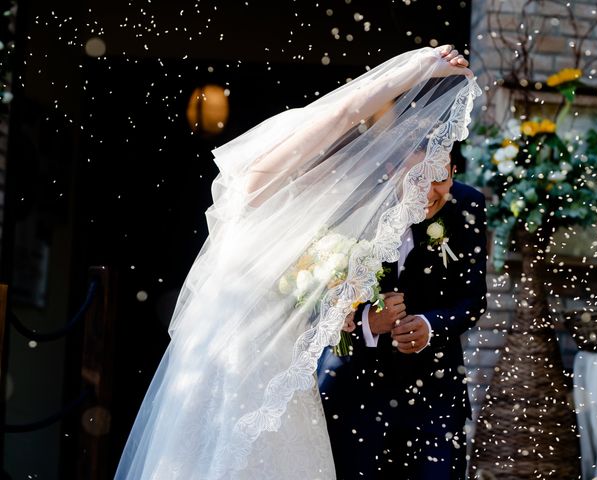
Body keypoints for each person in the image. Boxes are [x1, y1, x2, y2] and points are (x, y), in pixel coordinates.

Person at [115, 46, 481, 479]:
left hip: (280, 362)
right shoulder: (261, 186)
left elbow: (313, 295)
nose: (348, 166)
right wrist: (416, 69)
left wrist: (342, 310)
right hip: (238, 350)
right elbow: (345, 111)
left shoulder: (326, 212)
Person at [318, 144, 487, 479]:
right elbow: (310, 300)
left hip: (436, 396)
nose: (428, 192)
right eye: (415, 178)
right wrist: (366, 321)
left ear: (453, 170)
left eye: (439, 177)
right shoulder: (353, 206)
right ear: (392, 170)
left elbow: (473, 298)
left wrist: (430, 325)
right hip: (358, 392)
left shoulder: (468, 204)